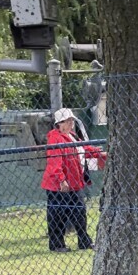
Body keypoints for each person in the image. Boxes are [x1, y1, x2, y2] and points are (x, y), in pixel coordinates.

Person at [41, 108, 106, 252]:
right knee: (58, 216)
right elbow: (54, 163)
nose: (71, 123)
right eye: (68, 121)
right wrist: (61, 180)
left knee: (79, 213)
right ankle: (57, 245)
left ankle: (84, 242)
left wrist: (99, 152)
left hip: (74, 183)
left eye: (72, 120)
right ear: (59, 123)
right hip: (58, 186)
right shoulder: (55, 138)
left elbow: (83, 149)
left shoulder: (72, 136)